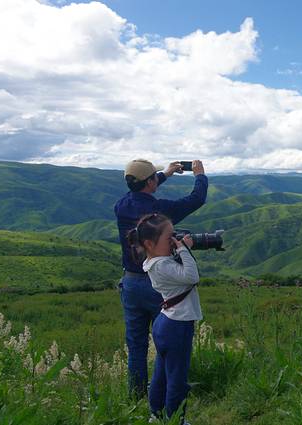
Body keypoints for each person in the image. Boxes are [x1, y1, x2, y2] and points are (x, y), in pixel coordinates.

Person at [114, 158, 207, 399]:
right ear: (150, 182)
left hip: (130, 283)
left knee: (136, 345)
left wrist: (165, 174)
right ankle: (167, 396)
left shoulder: (121, 206)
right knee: (166, 343)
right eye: (154, 177)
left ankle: (136, 397)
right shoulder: (159, 212)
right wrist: (199, 175)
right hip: (159, 282)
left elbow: (139, 191)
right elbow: (196, 200)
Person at [126, 213, 201, 422]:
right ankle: (176, 419)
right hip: (178, 325)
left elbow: (179, 270)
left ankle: (156, 413)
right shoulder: (162, 265)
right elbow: (192, 276)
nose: (173, 241)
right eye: (169, 238)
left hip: (166, 322)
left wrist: (179, 249)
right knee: (177, 377)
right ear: (149, 244)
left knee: (161, 373)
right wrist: (184, 250)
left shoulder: (155, 262)